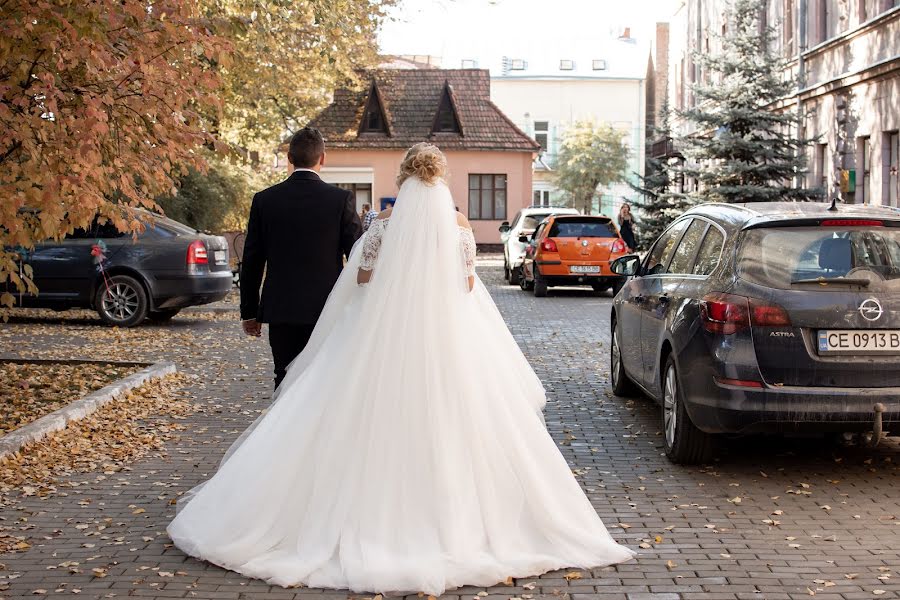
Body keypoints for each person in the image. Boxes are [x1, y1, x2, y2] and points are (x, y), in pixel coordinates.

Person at [168, 143, 634, 595]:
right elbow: (467, 282)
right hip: (447, 336)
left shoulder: (384, 224)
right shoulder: (459, 225)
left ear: (405, 177)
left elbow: (364, 275)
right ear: (441, 178)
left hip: (382, 333)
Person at [238, 127, 362, 389]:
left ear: (289, 158)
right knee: (323, 379)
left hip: (281, 309)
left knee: (283, 376)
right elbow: (357, 255)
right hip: (327, 308)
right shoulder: (340, 200)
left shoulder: (265, 200)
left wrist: (249, 311)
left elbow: (252, 260)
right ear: (323, 159)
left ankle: (280, 429)